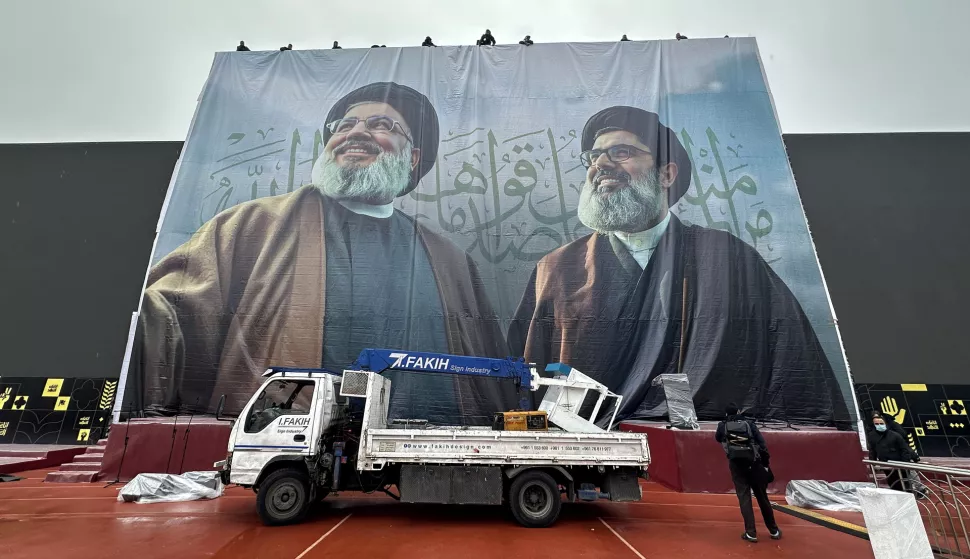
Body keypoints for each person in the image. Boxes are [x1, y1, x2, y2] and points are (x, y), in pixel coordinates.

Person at [129, 81, 514, 425]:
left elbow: (488, 368)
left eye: (381, 125)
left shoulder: (450, 262)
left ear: (412, 158)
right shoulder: (251, 225)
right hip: (287, 442)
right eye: (345, 126)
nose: (356, 133)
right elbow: (170, 311)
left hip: (428, 449)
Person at [509, 106, 850, 426]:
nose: (601, 165)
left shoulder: (727, 258)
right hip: (586, 453)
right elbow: (527, 372)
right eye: (595, 156)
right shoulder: (558, 267)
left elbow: (789, 364)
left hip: (709, 452)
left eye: (621, 153)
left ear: (666, 174)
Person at [716, 404, 781, 543]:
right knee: (763, 498)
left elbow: (717, 438)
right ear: (739, 411)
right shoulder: (749, 424)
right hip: (754, 464)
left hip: (736, 465)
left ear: (726, 414)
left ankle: (751, 532)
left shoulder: (723, 425)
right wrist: (765, 463)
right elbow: (762, 444)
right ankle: (774, 530)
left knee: (744, 498)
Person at [868, 413, 919, 491]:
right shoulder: (872, 436)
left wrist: (905, 463)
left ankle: (918, 490)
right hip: (886, 464)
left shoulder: (895, 435)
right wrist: (873, 463)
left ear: (885, 423)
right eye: (877, 424)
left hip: (900, 464)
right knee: (893, 484)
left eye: (881, 423)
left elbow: (904, 449)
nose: (879, 425)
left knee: (906, 484)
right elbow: (872, 450)